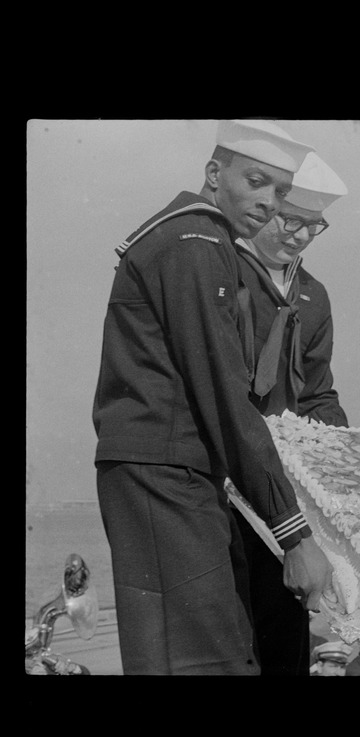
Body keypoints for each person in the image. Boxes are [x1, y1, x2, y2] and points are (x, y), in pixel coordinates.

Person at [92, 120, 334, 675]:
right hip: (164, 472)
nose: (269, 203)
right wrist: (294, 534)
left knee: (200, 652)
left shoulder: (194, 238)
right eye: (255, 181)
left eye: (279, 190)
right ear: (213, 173)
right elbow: (224, 393)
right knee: (204, 658)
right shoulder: (197, 244)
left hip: (170, 469)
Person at [229, 152, 349, 675]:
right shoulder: (225, 273)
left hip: (284, 487)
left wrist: (341, 456)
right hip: (228, 472)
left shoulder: (313, 295)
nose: (299, 236)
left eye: (313, 226)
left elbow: (318, 392)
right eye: (290, 219)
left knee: (284, 623)